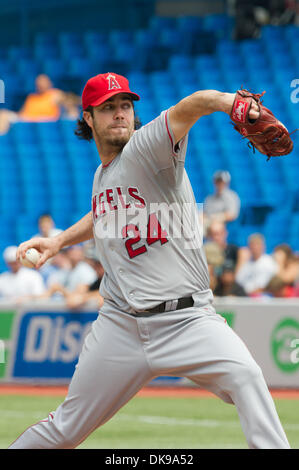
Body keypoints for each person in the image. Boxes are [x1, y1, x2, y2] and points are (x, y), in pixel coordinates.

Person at [10, 72, 290, 449]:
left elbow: (192, 104)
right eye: (108, 108)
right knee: (64, 429)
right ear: (88, 118)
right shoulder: (102, 175)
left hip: (187, 320)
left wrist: (229, 102)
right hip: (120, 326)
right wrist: (59, 240)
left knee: (247, 377)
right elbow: (104, 212)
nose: (120, 113)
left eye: (125, 105)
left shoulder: (148, 148)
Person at [0, 74, 80, 134]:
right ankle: (2, 139)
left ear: (49, 83)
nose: (40, 85)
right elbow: (22, 113)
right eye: (38, 83)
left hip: (45, 120)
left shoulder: (54, 94)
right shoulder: (31, 97)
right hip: (28, 119)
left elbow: (70, 101)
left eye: (43, 82)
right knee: (3, 114)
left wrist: (72, 110)